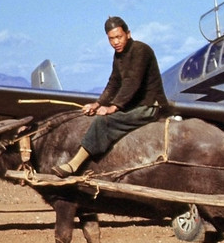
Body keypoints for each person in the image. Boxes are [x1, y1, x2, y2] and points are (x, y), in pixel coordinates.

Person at [52, 16, 168, 177]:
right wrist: (97, 104)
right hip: (135, 105)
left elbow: (131, 83)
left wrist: (112, 107)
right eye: (111, 39)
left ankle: (74, 165)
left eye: (119, 37)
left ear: (128, 34)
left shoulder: (141, 50)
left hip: (149, 105)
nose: (116, 42)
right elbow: (114, 83)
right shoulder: (118, 56)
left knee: (103, 121)